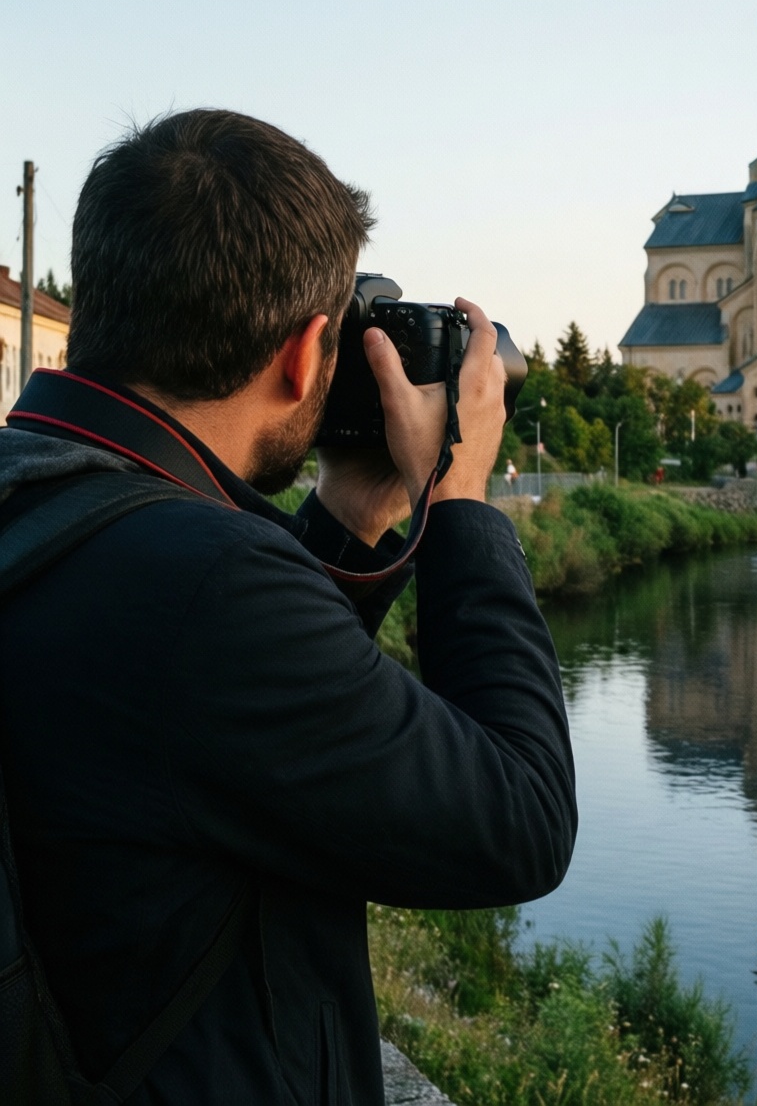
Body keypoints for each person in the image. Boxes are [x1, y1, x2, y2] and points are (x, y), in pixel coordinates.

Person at [0, 111, 577, 1104]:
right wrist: (458, 498)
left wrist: (353, 508)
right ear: (309, 353)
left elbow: (239, 726)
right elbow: (520, 818)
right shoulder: (207, 587)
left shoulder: (42, 490)